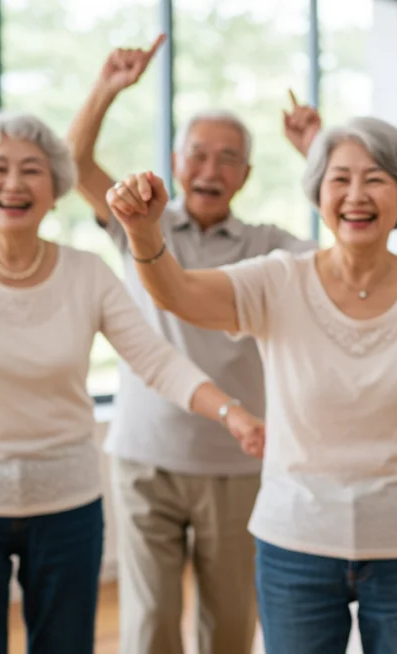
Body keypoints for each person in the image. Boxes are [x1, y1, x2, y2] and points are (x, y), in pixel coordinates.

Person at [105, 114, 397, 653]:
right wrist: (144, 233)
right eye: (340, 178)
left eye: (376, 178)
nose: (355, 194)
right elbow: (178, 293)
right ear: (318, 194)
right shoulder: (280, 278)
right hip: (295, 542)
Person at [0, 111, 264, 654]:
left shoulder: (86, 273)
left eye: (32, 170)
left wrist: (232, 413)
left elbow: (158, 360)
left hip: (67, 503)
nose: (14, 183)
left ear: (56, 188)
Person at [66, 37, 314, 654]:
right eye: (198, 154)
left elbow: (348, 253)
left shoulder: (268, 246)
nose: (211, 168)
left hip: (236, 462)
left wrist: (317, 152)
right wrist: (107, 87)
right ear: (175, 163)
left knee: (228, 627)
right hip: (144, 457)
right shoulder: (139, 224)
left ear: (247, 175)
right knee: (148, 624)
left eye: (228, 157)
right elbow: (73, 164)